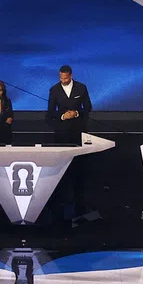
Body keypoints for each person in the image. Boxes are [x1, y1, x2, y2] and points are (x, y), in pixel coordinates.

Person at [48, 64, 93, 217]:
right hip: (61, 135)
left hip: (77, 132)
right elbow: (49, 114)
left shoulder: (81, 88)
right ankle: (61, 197)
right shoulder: (54, 90)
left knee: (79, 167)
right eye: (61, 78)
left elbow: (88, 107)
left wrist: (76, 113)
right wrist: (62, 116)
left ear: (71, 76)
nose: (63, 80)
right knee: (62, 167)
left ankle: (79, 199)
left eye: (66, 78)